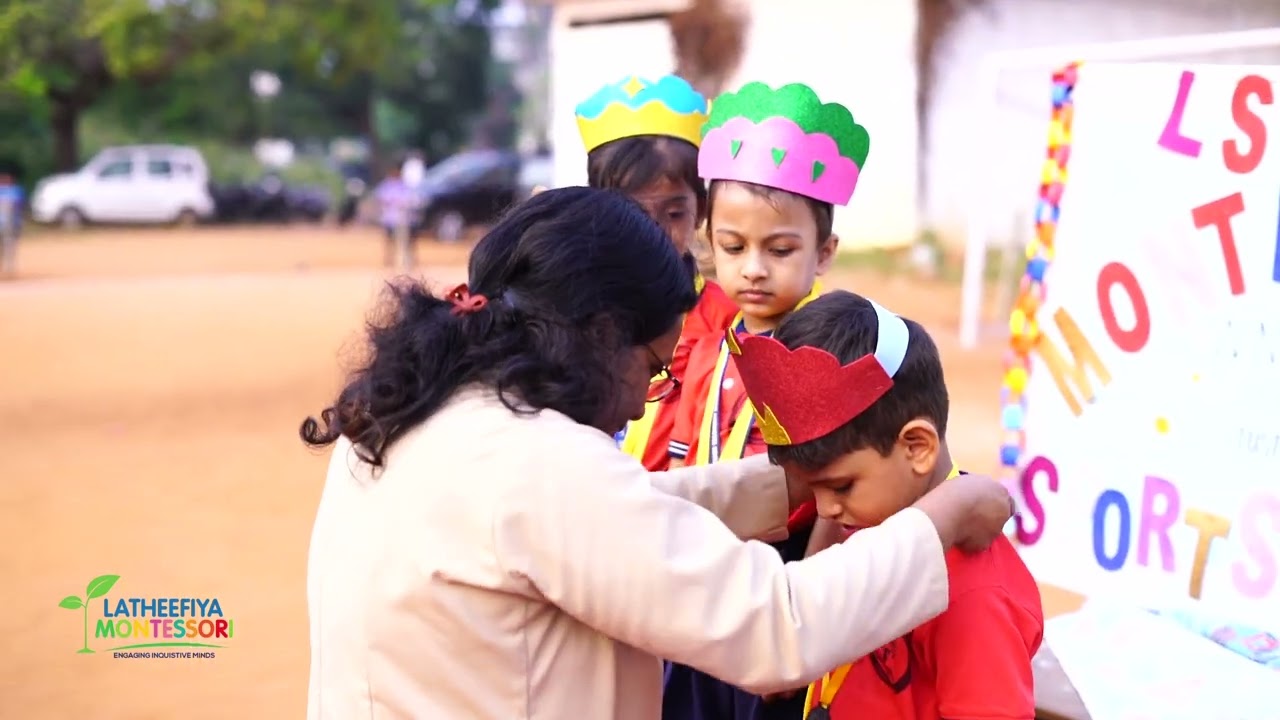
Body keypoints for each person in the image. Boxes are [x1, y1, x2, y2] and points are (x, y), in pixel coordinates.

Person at [301, 186, 1016, 720]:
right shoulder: (536, 464)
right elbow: (775, 626)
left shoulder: (414, 414)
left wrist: (788, 485)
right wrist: (946, 513)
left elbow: (618, 523)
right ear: (600, 333)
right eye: (651, 366)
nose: (645, 399)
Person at [730, 290, 1045, 720]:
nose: (824, 509)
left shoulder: (975, 596)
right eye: (813, 489)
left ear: (917, 447)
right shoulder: (873, 518)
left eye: (840, 486)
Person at [663, 80, 864, 720]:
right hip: (699, 586)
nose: (753, 268)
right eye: (732, 247)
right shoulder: (708, 347)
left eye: (779, 250)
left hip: (783, 584)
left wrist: (801, 617)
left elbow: (840, 495)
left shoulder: (830, 355)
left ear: (823, 252)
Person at [575, 74, 738, 468]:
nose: (654, 233)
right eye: (632, 212)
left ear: (700, 208)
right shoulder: (570, 308)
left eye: (674, 213)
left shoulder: (727, 321)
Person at [373, 164, 419, 267]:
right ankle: (389, 260)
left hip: (403, 219)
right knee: (389, 241)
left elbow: (409, 200)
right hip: (389, 218)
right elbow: (380, 199)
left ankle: (408, 262)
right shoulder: (386, 185)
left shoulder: (404, 186)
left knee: (407, 242)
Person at [0, 170, 23, 276]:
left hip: (11, 224)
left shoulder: (15, 190)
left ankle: (9, 267)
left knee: (10, 246)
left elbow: (17, 205)